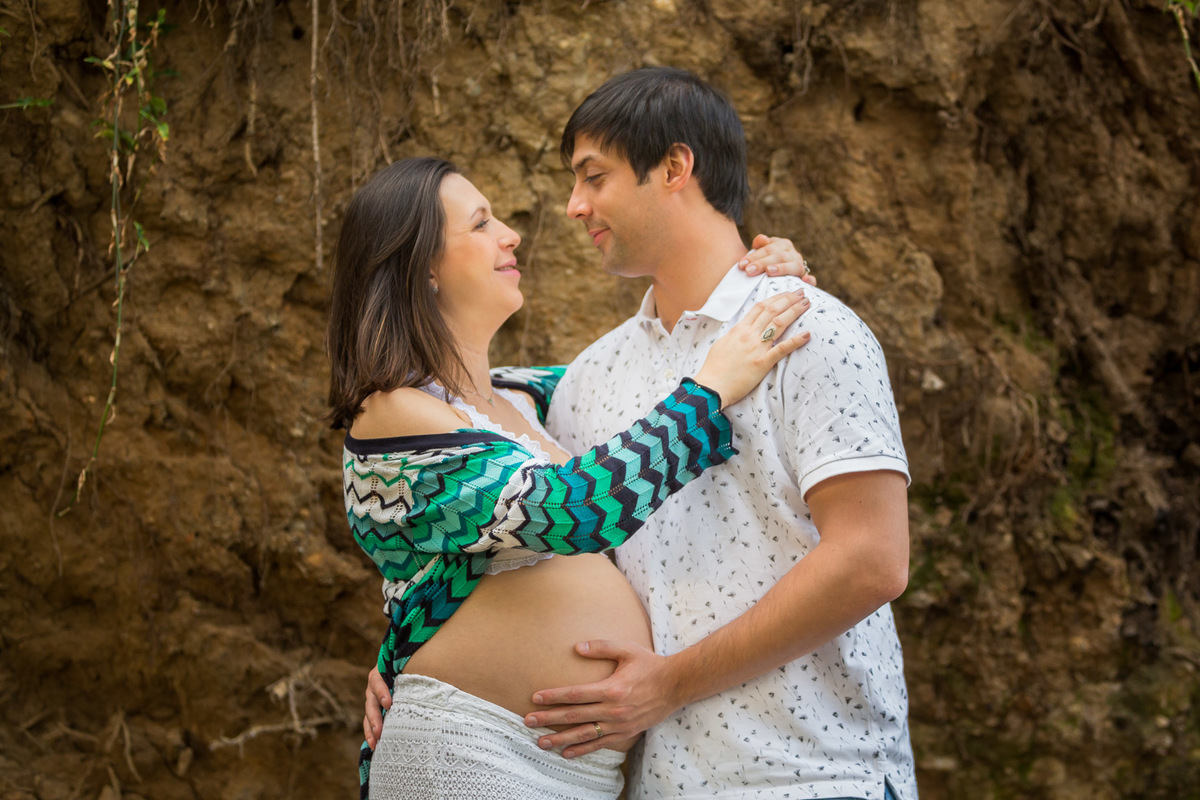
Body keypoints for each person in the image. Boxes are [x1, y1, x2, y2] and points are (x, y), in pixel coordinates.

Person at [369, 67, 917, 799]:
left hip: (814, 771)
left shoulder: (811, 330)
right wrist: (405, 648)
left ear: (674, 167)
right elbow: (499, 521)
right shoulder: (584, 385)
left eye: (593, 177)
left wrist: (672, 684)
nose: (572, 207)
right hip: (655, 781)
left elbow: (873, 563)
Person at [327, 155, 814, 799]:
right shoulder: (392, 415)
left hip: (584, 770)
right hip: (471, 751)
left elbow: (674, 367)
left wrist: (768, 284)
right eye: (480, 224)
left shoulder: (534, 397)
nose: (511, 234)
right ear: (424, 268)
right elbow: (575, 508)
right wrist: (708, 390)